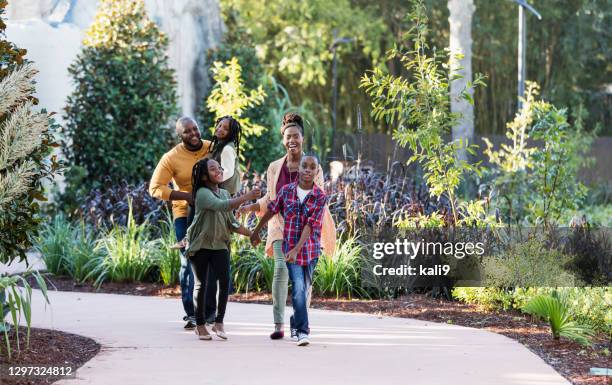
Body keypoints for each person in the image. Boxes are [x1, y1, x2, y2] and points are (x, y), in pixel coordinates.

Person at [237, 113, 336, 340]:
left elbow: (316, 198)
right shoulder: (274, 168)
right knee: (282, 271)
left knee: (304, 281)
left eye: (296, 136)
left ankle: (298, 321)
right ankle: (279, 323)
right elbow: (271, 201)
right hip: (280, 227)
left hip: (307, 230)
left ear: (302, 138)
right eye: (288, 136)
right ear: (283, 140)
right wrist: (249, 208)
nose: (292, 140)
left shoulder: (313, 166)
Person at [250, 154, 326, 346]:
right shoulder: (286, 191)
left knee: (304, 289)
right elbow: (272, 210)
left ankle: (295, 322)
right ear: (298, 169)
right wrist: (256, 231)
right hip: (289, 250)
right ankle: (302, 331)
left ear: (317, 171)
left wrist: (297, 250)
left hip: (309, 251)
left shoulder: (320, 197)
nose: (308, 170)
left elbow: (311, 226)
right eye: (304, 166)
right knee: (299, 288)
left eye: (312, 167)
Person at [148, 116, 215, 329]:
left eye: (195, 129)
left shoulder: (211, 148)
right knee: (189, 262)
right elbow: (155, 188)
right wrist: (186, 197)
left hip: (212, 213)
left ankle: (209, 312)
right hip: (185, 215)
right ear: (179, 135)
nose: (194, 134)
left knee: (212, 261)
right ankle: (192, 313)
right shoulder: (171, 157)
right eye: (187, 131)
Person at [185, 158, 260, 340]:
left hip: (219, 245)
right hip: (200, 244)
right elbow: (220, 206)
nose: (218, 170)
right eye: (212, 169)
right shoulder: (202, 193)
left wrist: (252, 234)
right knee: (201, 284)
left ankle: (219, 322)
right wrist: (246, 197)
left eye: (219, 167)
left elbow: (232, 223)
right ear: (204, 176)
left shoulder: (225, 193)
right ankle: (201, 325)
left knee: (225, 282)